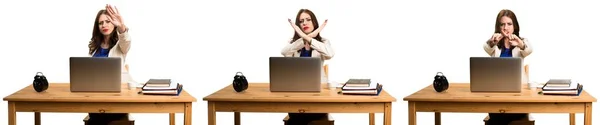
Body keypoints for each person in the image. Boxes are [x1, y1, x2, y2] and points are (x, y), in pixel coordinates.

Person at [280, 9, 334, 125]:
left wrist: (310, 38)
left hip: (319, 97)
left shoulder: (323, 42)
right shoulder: (294, 43)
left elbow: (330, 54)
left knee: (300, 116)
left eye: (308, 20)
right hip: (297, 95)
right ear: (298, 25)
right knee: (297, 112)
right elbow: (284, 52)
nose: (304, 23)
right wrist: (303, 38)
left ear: (314, 23)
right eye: (301, 21)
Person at [483, 9, 533, 125]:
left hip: (518, 96)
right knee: (496, 113)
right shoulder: (495, 45)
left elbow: (529, 50)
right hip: (498, 96)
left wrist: (520, 43)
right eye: (502, 24)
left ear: (514, 26)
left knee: (500, 116)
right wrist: (492, 41)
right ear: (498, 27)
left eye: (509, 24)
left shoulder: (521, 42)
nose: (506, 28)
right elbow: (486, 47)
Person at [86, 4, 133, 125]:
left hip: (116, 99)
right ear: (97, 27)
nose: (104, 25)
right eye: (101, 23)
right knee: (95, 115)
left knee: (101, 119)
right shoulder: (94, 48)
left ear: (114, 23)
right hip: (95, 97)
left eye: (108, 21)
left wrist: (121, 26)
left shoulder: (120, 45)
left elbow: (126, 40)